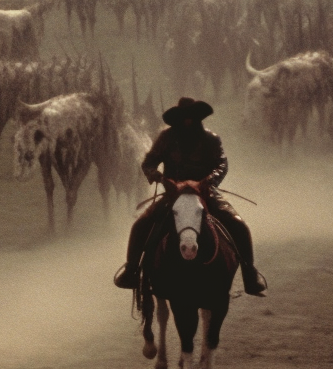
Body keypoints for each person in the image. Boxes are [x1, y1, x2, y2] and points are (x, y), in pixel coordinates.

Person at [114, 97, 266, 296]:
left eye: (191, 117)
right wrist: (160, 177)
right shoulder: (166, 138)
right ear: (178, 118)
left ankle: (249, 273)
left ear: (198, 117)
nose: (187, 121)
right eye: (184, 117)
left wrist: (209, 180)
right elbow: (149, 162)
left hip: (205, 192)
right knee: (141, 224)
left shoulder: (211, 139)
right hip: (173, 193)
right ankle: (132, 270)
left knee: (238, 224)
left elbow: (222, 164)